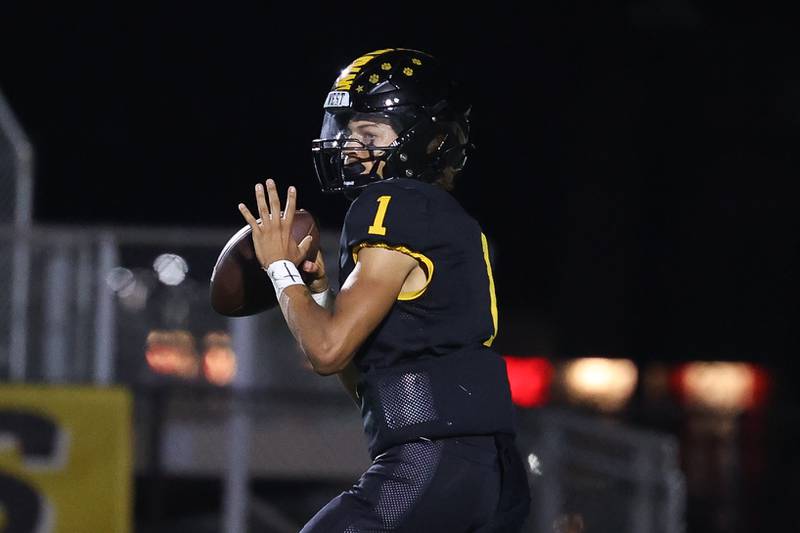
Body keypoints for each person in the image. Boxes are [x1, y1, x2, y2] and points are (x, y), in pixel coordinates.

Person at [237, 48, 531, 532]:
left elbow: (328, 349)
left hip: (434, 461)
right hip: (482, 471)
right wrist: (312, 295)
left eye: (369, 135)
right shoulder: (436, 218)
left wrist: (277, 268)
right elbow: (337, 362)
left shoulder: (394, 204)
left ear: (429, 141)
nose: (351, 148)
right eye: (349, 134)